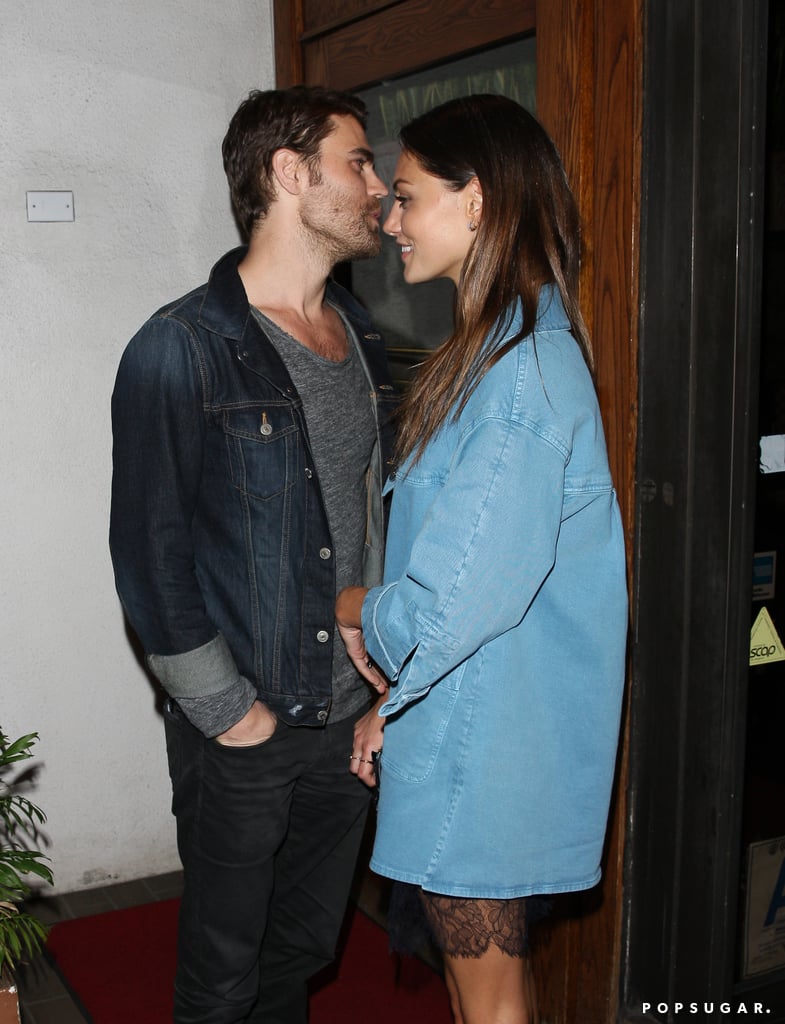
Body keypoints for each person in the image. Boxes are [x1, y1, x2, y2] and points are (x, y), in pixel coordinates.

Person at [335, 94, 628, 1024]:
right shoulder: (502, 354)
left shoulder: (518, 378)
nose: (388, 219)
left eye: (408, 195)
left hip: (491, 753)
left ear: (477, 204)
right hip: (477, 728)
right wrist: (396, 704)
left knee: (490, 1002)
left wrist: (352, 605)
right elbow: (478, 581)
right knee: (490, 995)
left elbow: (446, 601)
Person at [109, 86, 396, 1024]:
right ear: (288, 173)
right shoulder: (180, 346)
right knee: (222, 980)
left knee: (305, 951)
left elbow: (373, 519)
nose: (377, 183)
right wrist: (230, 716)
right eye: (356, 161)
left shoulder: (361, 339)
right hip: (245, 723)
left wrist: (387, 681)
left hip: (346, 721)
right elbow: (146, 553)